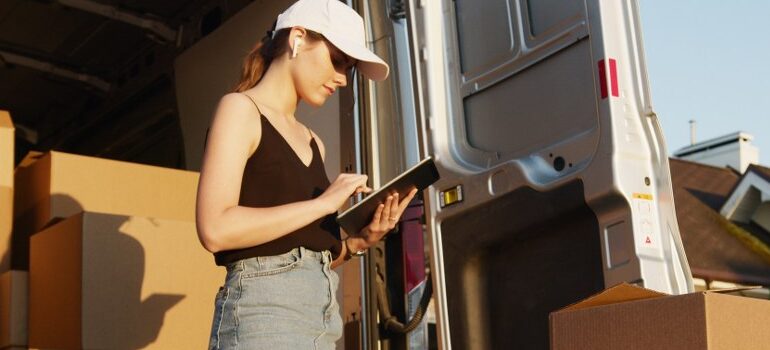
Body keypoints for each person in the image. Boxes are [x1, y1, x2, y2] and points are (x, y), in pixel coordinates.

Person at [195, 0, 417, 348]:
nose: (343, 79)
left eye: (350, 68)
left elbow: (307, 252)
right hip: (263, 316)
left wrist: (360, 241)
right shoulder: (240, 109)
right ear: (297, 38)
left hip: (321, 322)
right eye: (338, 61)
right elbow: (215, 229)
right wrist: (324, 203)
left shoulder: (315, 143)